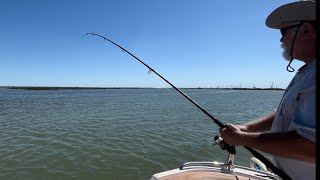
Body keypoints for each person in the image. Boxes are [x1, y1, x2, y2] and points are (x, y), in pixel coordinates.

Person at [219, 1, 316, 179]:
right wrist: (246, 128)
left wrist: (242, 139)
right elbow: (285, 113)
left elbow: (310, 146)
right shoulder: (306, 72)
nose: (281, 40)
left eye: (283, 32)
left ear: (307, 30)